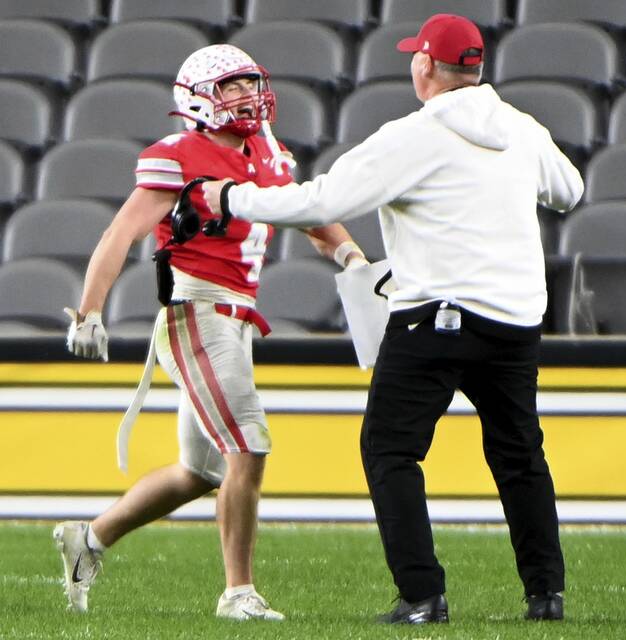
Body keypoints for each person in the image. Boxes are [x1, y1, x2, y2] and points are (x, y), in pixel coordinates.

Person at [202, 14, 584, 624]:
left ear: (426, 65)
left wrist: (232, 198)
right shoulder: (520, 127)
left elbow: (322, 200)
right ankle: (546, 595)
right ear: (477, 70)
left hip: (436, 317)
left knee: (389, 449)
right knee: (520, 456)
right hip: (515, 321)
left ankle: (423, 595)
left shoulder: (413, 134)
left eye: (417, 57)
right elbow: (569, 191)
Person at [54, 44, 367, 619]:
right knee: (247, 441)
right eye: (231, 87)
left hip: (236, 318)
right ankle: (238, 593)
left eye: (251, 83)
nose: (248, 95)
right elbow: (120, 234)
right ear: (198, 99)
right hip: (195, 312)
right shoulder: (179, 154)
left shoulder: (266, 150)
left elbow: (311, 217)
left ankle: (89, 538)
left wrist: (354, 260)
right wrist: (90, 311)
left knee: (200, 472)